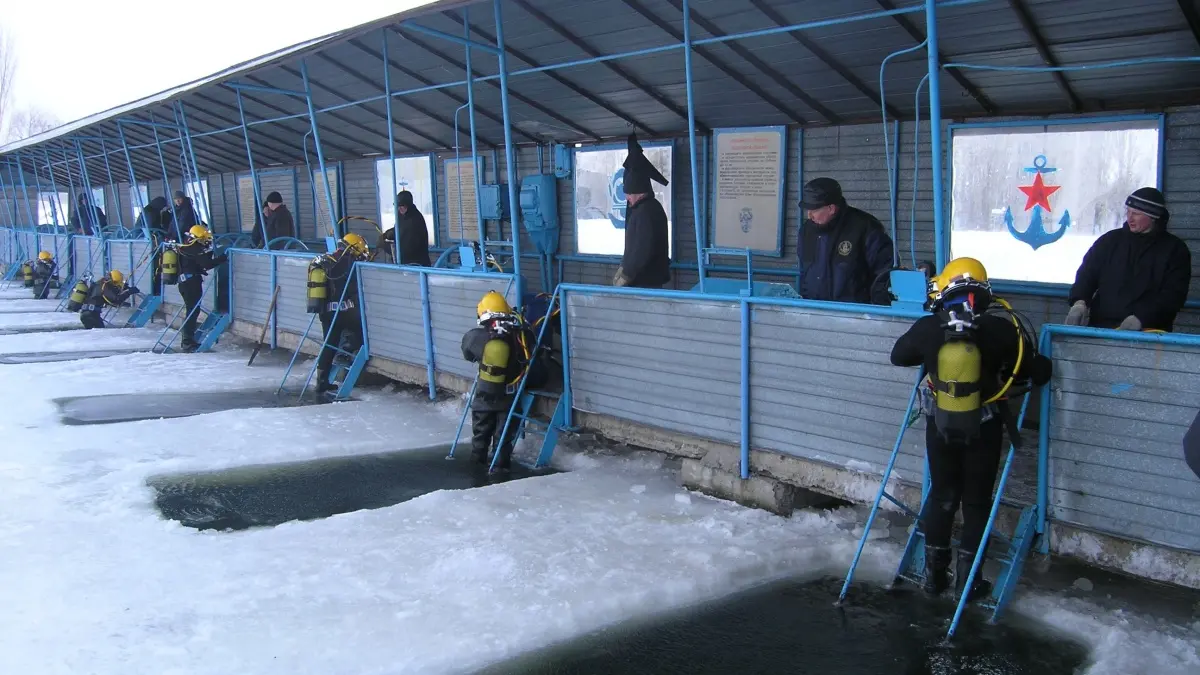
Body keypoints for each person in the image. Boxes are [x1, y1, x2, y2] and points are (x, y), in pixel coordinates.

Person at [890, 257, 1052, 602]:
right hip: (984, 426)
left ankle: (934, 576)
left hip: (941, 425)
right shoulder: (1002, 330)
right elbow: (1038, 372)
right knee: (976, 502)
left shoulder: (929, 326)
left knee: (943, 496)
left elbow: (898, 356)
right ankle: (969, 582)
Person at [1065, 187, 1191, 332]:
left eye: (1136, 214)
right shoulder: (1110, 241)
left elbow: (1174, 295)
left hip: (1149, 333)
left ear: (1153, 216)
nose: (1129, 218)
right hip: (1101, 328)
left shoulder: (1175, 250)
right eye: (1128, 212)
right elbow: (1087, 274)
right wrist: (1079, 302)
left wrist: (1142, 318)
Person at [460, 291, 536, 471]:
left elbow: (467, 353)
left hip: (484, 396)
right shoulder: (520, 335)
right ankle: (500, 473)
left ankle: (476, 471)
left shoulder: (477, 336)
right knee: (503, 441)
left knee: (480, 437)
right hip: (509, 398)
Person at [797, 177, 894, 305]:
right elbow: (805, 271)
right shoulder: (806, 230)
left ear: (831, 208)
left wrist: (874, 313)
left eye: (814, 210)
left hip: (854, 313)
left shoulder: (865, 227)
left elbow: (885, 273)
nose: (809, 215)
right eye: (807, 210)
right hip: (813, 310)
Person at [311, 232, 370, 394]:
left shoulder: (326, 260)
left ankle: (321, 381)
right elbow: (354, 289)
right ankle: (347, 350)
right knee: (363, 330)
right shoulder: (348, 263)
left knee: (328, 344)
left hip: (325, 312)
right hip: (344, 311)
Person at [613, 132, 670, 289]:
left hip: (643, 281)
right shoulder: (651, 207)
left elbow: (641, 249)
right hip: (651, 278)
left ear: (638, 192)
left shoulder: (644, 213)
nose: (627, 199)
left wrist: (626, 274)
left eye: (629, 194)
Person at [172, 225, 227, 352]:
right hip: (191, 284)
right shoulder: (195, 249)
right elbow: (206, 264)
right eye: (204, 239)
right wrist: (222, 258)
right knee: (192, 312)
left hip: (185, 283)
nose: (206, 242)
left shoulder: (186, 247)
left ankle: (187, 340)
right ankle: (187, 341)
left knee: (191, 311)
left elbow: (198, 262)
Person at [378, 190, 431, 266]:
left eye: (402, 206)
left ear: (408, 205)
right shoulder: (403, 215)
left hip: (416, 264)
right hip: (406, 264)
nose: (400, 209)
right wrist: (388, 234)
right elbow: (399, 229)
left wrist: (385, 245)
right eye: (398, 206)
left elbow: (405, 250)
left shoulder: (414, 221)